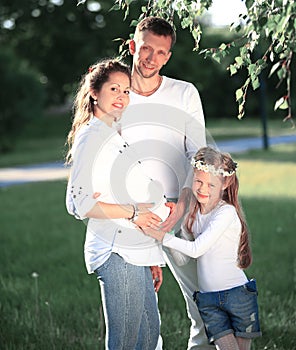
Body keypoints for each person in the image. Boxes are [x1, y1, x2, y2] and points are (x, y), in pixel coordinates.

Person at [65, 58, 171, 350]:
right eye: (114, 89)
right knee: (126, 343)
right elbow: (79, 203)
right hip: (116, 251)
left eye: (126, 91)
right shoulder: (91, 136)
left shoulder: (114, 135)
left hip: (136, 251)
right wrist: (134, 213)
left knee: (149, 339)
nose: (122, 97)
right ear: (95, 92)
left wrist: (151, 254)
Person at [121, 16, 211, 349]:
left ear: (168, 56)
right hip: (134, 215)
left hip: (181, 209)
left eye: (161, 52)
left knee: (202, 300)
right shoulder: (117, 93)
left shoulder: (184, 93)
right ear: (133, 46)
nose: (151, 58)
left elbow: (198, 154)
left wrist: (183, 207)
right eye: (145, 48)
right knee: (141, 313)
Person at [142, 146, 262, 350]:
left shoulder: (226, 213)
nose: (203, 189)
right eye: (198, 181)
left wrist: (162, 236)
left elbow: (197, 249)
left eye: (210, 185)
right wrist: (167, 230)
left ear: (225, 184)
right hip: (209, 302)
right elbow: (183, 259)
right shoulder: (192, 217)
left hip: (237, 296)